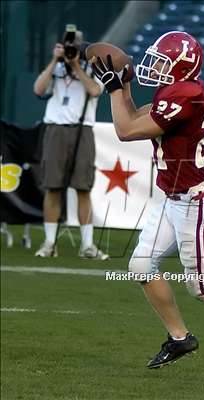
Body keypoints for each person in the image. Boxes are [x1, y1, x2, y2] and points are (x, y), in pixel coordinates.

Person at [93, 31, 204, 381]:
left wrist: (114, 90)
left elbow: (125, 130)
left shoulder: (187, 94)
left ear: (182, 66)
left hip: (195, 203)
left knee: (203, 285)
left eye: (164, 62)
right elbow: (135, 117)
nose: (157, 68)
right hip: (172, 198)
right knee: (140, 265)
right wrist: (123, 87)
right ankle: (180, 338)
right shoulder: (176, 91)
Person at [34, 30, 108, 260]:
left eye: (74, 48)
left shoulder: (92, 70)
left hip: (82, 129)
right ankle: (49, 243)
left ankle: (87, 245)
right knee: (53, 187)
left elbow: (95, 90)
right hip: (55, 128)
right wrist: (54, 61)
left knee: (83, 188)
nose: (70, 51)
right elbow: (38, 89)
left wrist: (76, 66)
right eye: (67, 47)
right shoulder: (55, 69)